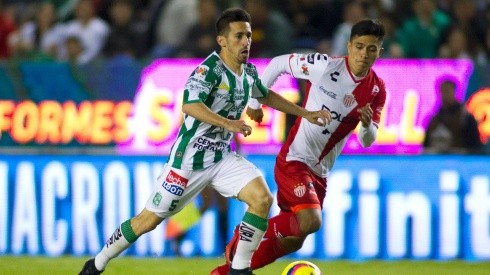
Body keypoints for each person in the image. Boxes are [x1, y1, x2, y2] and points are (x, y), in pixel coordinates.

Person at [79, 8, 329, 275]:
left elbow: (266, 95)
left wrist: (306, 113)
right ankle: (96, 264)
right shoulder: (208, 70)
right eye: (238, 36)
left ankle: (239, 269)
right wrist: (228, 123)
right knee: (147, 221)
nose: (245, 41)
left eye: (248, 35)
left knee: (262, 198)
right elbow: (190, 105)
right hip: (188, 162)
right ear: (222, 40)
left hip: (221, 157)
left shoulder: (249, 73)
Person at [212, 18, 387, 274]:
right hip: (295, 160)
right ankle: (244, 236)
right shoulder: (324, 66)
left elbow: (366, 140)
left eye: (371, 49)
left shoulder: (377, 90)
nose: (364, 54)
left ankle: (229, 271)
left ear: (379, 52)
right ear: (349, 46)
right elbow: (278, 64)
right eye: (359, 46)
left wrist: (367, 125)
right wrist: (256, 103)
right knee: (310, 220)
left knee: (295, 237)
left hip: (319, 172)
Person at [423, 79, 482, 154]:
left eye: (447, 91)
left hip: (460, 161)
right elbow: (425, 146)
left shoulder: (465, 117)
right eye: (442, 91)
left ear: (454, 92)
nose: (444, 94)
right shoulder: (434, 119)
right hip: (436, 161)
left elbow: (475, 147)